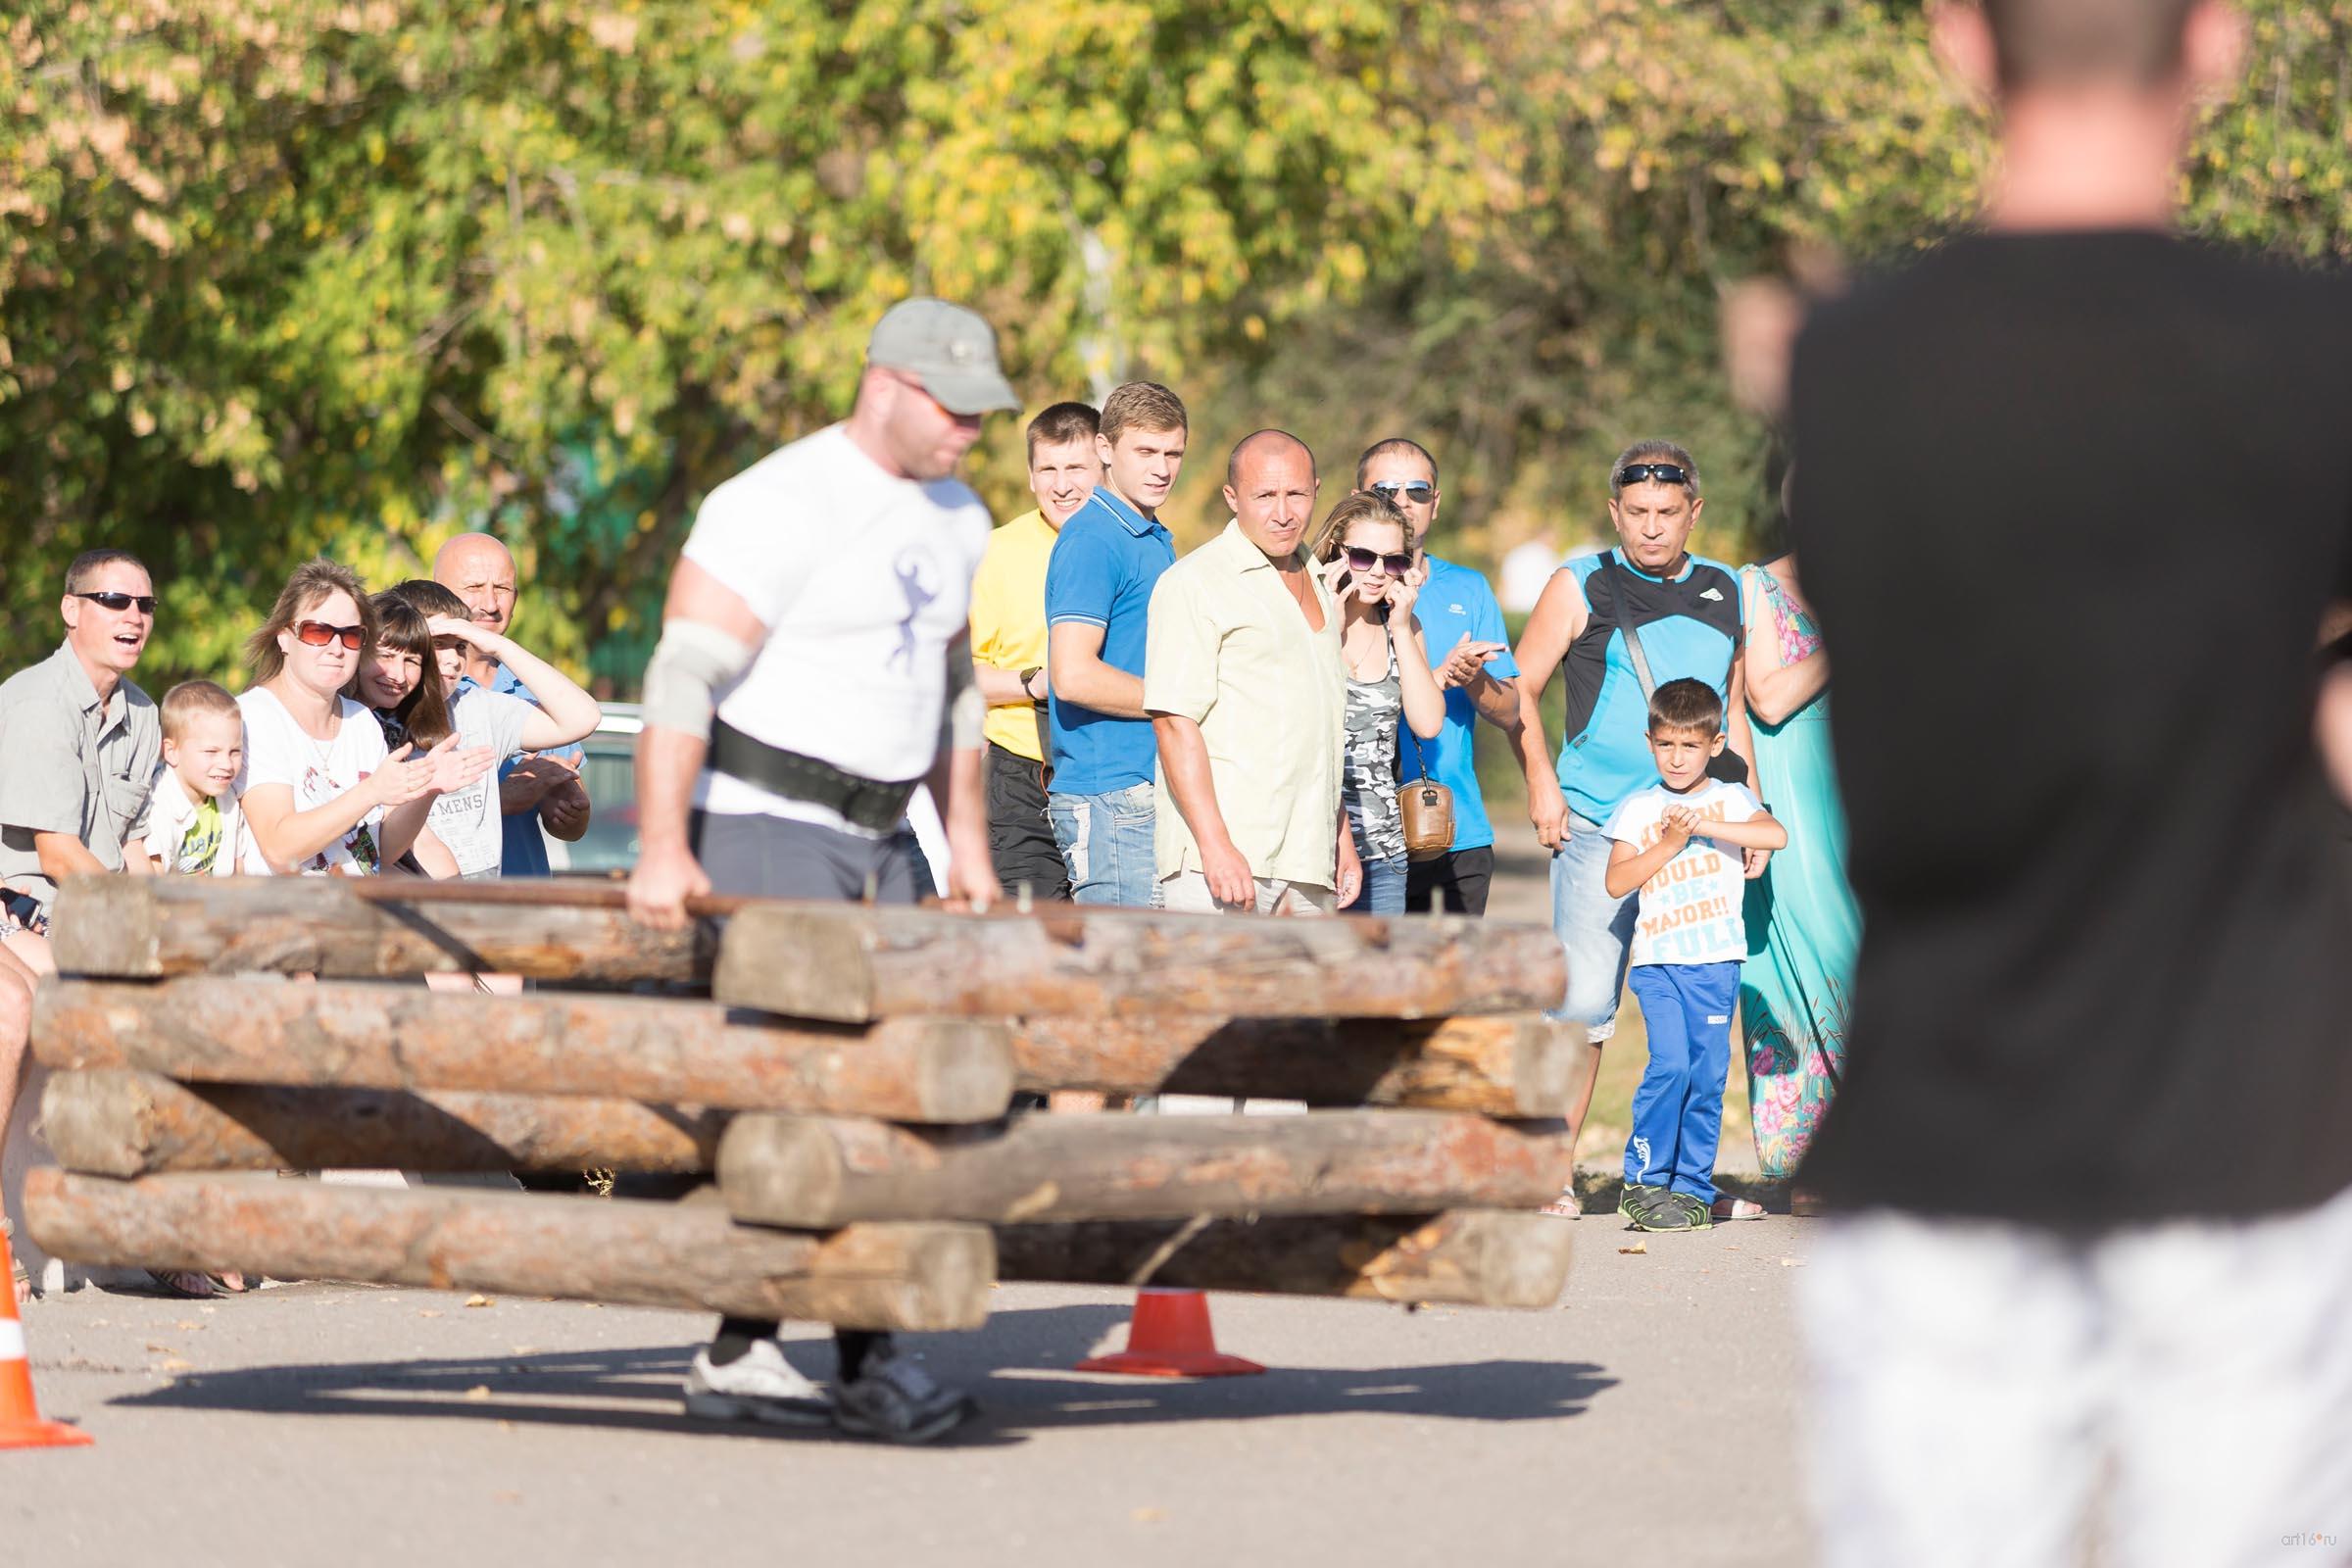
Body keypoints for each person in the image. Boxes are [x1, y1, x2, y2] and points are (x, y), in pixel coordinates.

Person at [1787, 2, 2352, 1562]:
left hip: (1951, 1108)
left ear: (1963, 44)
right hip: (2249, 1111)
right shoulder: (2313, 352)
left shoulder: (1855, 363)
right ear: (2216, 44)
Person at [624, 296, 1012, 1444]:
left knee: (895, 1088)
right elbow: (682, 673)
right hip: (766, 821)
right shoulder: (777, 500)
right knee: (809, 1088)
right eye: (953, 409)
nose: (970, 432)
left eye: (982, 413)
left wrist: (969, 845)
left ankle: (776, 1350)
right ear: (884, 385)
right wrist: (661, 846)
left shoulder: (962, 517)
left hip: (888, 834)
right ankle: (830, 1355)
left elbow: (953, 688)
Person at [1510, 443, 1754, 1217]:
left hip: (1700, 836)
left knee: (1698, 1019)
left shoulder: (1725, 590)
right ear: (1615, 511)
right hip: (1597, 827)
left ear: (1694, 512)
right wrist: (1542, 783)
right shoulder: (1579, 583)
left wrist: (1748, 817)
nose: (1652, 528)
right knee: (1582, 1007)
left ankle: (1683, 1179)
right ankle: (1548, 1176)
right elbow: (1520, 689)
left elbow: (1732, 712)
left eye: (1668, 513)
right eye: (1638, 513)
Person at [1147, 430, 1360, 914]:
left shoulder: (1321, 581)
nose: (1283, 512)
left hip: (1309, 860)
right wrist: (1215, 845)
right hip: (1225, 861)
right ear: (1232, 497)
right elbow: (1173, 723)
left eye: (1296, 494)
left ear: (1317, 491)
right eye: (1264, 496)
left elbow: (1318, 726)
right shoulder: (1195, 582)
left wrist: (1340, 835)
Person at [1601, 679, 1784, 1232]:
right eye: (1666, 745)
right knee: (1671, 1066)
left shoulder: (1731, 799)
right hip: (1659, 965)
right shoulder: (1639, 808)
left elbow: (1774, 835)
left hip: (1717, 964)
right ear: (1650, 742)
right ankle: (1644, 1181)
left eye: (1689, 746)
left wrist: (1699, 824)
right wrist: (1669, 844)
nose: (1676, 758)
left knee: (1706, 1079)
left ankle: (1692, 1189)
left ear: (1715, 743)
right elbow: (1616, 882)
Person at [0, 549, 163, 1156]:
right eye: (114, 600)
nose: (134, 616)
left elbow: (134, 845)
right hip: (26, 908)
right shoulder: (38, 702)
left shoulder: (143, 711)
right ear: (71, 610)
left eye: (145, 604)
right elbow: (59, 857)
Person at [237, 560, 491, 878]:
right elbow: (278, 849)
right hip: (285, 908)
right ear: (284, 637)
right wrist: (370, 791)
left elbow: (383, 850)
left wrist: (428, 790)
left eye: (351, 635)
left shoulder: (360, 722)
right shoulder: (254, 716)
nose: (336, 648)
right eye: (318, 631)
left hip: (357, 907)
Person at [1736, 533, 1856, 1184]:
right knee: (1815, 959)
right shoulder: (1757, 586)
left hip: (1860, 786)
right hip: (1792, 794)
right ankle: (1809, 1157)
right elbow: (1767, 698)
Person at [1355, 439, 1519, 914]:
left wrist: (1471, 677)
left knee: (1455, 967)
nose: (1402, 501)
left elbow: (1510, 711)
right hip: (1363, 832)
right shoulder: (1338, 590)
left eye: (1418, 490)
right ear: (1358, 498)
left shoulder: (1469, 587)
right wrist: (1435, 676)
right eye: (1385, 489)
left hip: (1455, 829)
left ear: (1436, 502)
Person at [1042, 381, 1186, 906]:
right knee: (1125, 956)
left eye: (1173, 454)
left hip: (1146, 785)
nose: (1161, 468)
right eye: (1145, 451)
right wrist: (1182, 701)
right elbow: (1072, 675)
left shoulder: (1148, 535)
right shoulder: (1093, 538)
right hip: (1111, 796)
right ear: (1104, 449)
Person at [969, 400, 1102, 900]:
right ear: (1030, 476)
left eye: (1076, 468)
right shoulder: (995, 552)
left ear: (1105, 467)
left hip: (1111, 774)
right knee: (1032, 932)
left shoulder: (1137, 544)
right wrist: (1035, 683)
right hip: (1021, 777)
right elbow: (959, 675)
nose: (1061, 485)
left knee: (1112, 930)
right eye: (1048, 469)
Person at [386, 579, 600, 879]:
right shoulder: (374, 718)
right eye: (438, 643)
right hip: (414, 894)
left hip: (482, 893)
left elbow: (583, 718)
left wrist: (497, 645)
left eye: (461, 645)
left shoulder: (477, 706)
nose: (453, 659)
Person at [1312, 491, 1446, 914]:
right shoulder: (1303, 616)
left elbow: (1428, 723)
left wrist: (1402, 628)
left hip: (1382, 853)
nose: (1376, 572)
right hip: (1309, 849)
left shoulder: (1402, 627)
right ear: (1336, 551)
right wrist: (1327, 631)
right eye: (1363, 556)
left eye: (1393, 562)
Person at [432, 533, 591, 874]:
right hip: (438, 896)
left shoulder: (537, 689)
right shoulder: (406, 685)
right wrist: (502, 799)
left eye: (502, 589)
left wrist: (570, 809)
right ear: (438, 592)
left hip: (525, 896)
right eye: (474, 587)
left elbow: (571, 830)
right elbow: (388, 815)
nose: (490, 603)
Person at [141, 680, 266, 880]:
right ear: (172, 752)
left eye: (235, 751)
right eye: (211, 751)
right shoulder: (159, 805)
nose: (226, 764)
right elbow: (154, 873)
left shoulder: (229, 799)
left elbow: (237, 866)